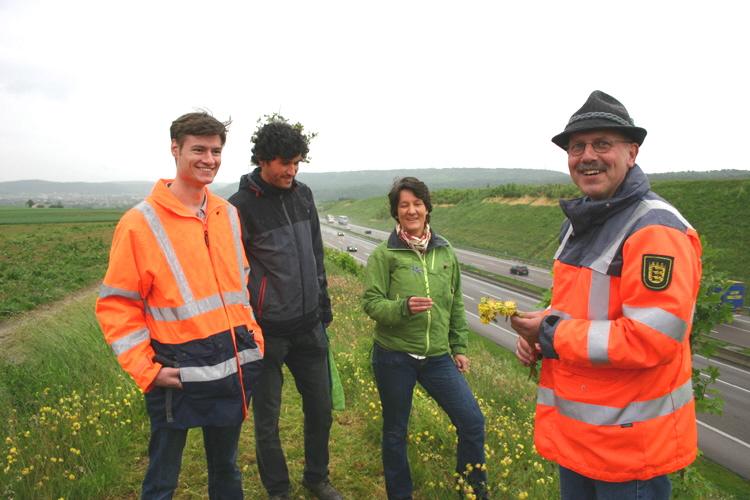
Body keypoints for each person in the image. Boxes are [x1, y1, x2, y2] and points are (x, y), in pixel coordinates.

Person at [511, 90, 702, 500]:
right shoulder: (583, 220)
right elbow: (577, 311)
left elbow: (652, 338)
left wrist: (552, 333)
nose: (587, 156)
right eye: (577, 146)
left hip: (629, 451)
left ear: (632, 153)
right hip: (580, 441)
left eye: (602, 144)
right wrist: (540, 333)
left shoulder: (655, 231)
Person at [95, 111, 265, 499]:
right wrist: (147, 371)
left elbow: (240, 286)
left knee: (227, 471)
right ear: (175, 149)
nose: (209, 159)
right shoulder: (140, 223)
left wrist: (253, 339)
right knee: (162, 479)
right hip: (175, 372)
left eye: (216, 151)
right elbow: (117, 306)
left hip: (230, 364)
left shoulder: (228, 214)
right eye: (199, 150)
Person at [228, 119, 341, 500]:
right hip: (267, 334)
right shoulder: (239, 207)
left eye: (297, 163)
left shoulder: (303, 194)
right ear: (262, 159)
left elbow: (316, 255)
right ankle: (278, 490)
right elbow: (232, 276)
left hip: (309, 327)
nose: (291, 171)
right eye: (284, 163)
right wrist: (247, 327)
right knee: (267, 422)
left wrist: (323, 310)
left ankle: (316, 478)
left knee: (321, 411)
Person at [362, 177, 488, 500]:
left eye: (417, 203)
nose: (411, 210)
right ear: (395, 212)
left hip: (437, 358)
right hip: (394, 356)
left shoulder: (445, 251)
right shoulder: (384, 254)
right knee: (395, 432)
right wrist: (403, 307)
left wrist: (458, 346)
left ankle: (471, 493)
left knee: (472, 422)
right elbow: (372, 303)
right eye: (404, 205)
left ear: (427, 209)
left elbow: (455, 302)